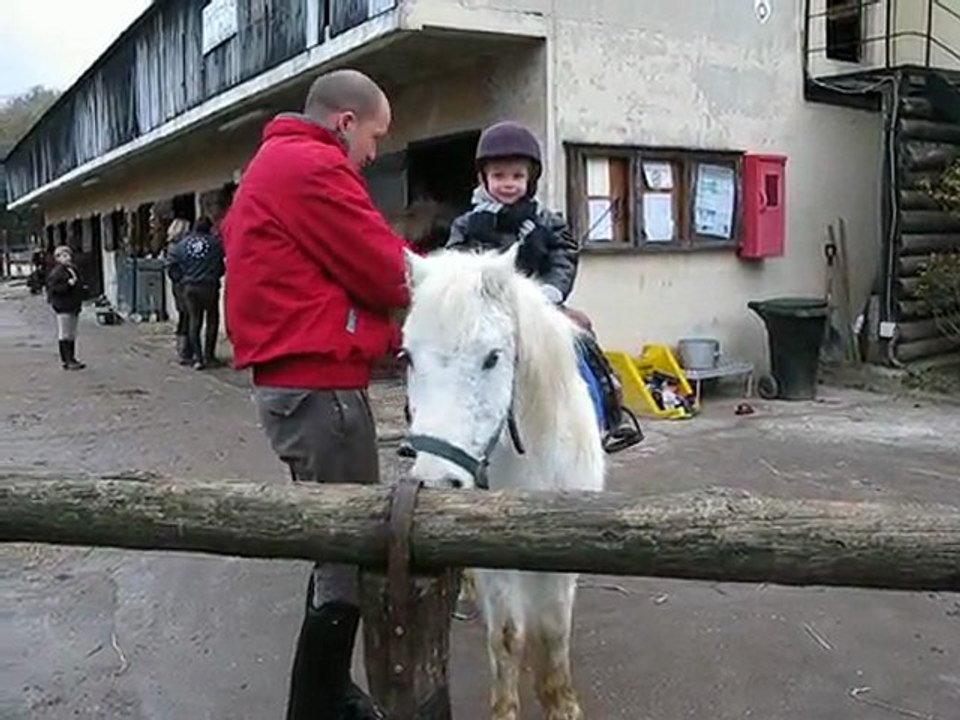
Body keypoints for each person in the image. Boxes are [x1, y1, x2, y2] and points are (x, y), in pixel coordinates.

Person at [220, 68, 410, 720]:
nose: (375, 154)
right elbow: (387, 271)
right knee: (347, 545)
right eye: (376, 136)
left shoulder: (274, 165)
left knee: (331, 542)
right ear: (345, 121)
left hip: (296, 386)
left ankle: (323, 695)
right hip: (320, 389)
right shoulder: (313, 169)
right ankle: (321, 700)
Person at [446, 121, 643, 453]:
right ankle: (429, 429)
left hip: (539, 305)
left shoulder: (547, 221)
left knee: (581, 333)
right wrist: (476, 249)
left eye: (517, 176)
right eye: (499, 176)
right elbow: (453, 264)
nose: (508, 184)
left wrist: (552, 291)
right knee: (440, 350)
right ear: (484, 178)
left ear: (530, 179)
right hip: (485, 310)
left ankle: (607, 414)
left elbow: (565, 255)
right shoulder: (467, 223)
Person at [166, 217, 226, 370]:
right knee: (212, 321)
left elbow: (172, 266)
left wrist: (181, 279)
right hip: (209, 286)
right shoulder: (216, 244)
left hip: (190, 287)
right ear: (209, 228)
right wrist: (216, 274)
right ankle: (209, 356)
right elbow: (221, 265)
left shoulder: (182, 245)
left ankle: (197, 358)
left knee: (194, 321)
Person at [45, 245, 88, 371]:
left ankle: (72, 358)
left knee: (71, 333)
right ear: (57, 258)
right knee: (65, 333)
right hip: (63, 305)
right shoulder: (57, 272)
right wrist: (68, 285)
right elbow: (54, 289)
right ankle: (67, 359)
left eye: (68, 255)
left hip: (73, 304)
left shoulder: (72, 269)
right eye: (63, 255)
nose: (67, 258)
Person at [164, 218, 193, 365]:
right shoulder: (178, 247)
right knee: (187, 316)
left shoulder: (172, 246)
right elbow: (173, 270)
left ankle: (183, 348)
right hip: (182, 285)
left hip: (179, 286)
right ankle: (185, 349)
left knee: (184, 316)